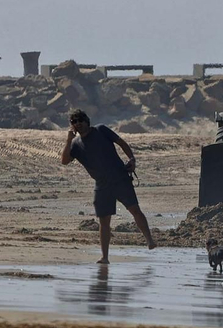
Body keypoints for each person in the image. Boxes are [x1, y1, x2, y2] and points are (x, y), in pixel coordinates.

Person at [59, 109, 156, 263]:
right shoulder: (75, 144)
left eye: (80, 120)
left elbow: (122, 143)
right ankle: (105, 257)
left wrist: (132, 159)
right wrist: (68, 140)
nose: (78, 124)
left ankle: (149, 240)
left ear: (86, 121)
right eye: (74, 122)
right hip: (102, 184)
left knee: (135, 210)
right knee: (104, 221)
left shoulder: (100, 130)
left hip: (120, 178)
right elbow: (64, 161)